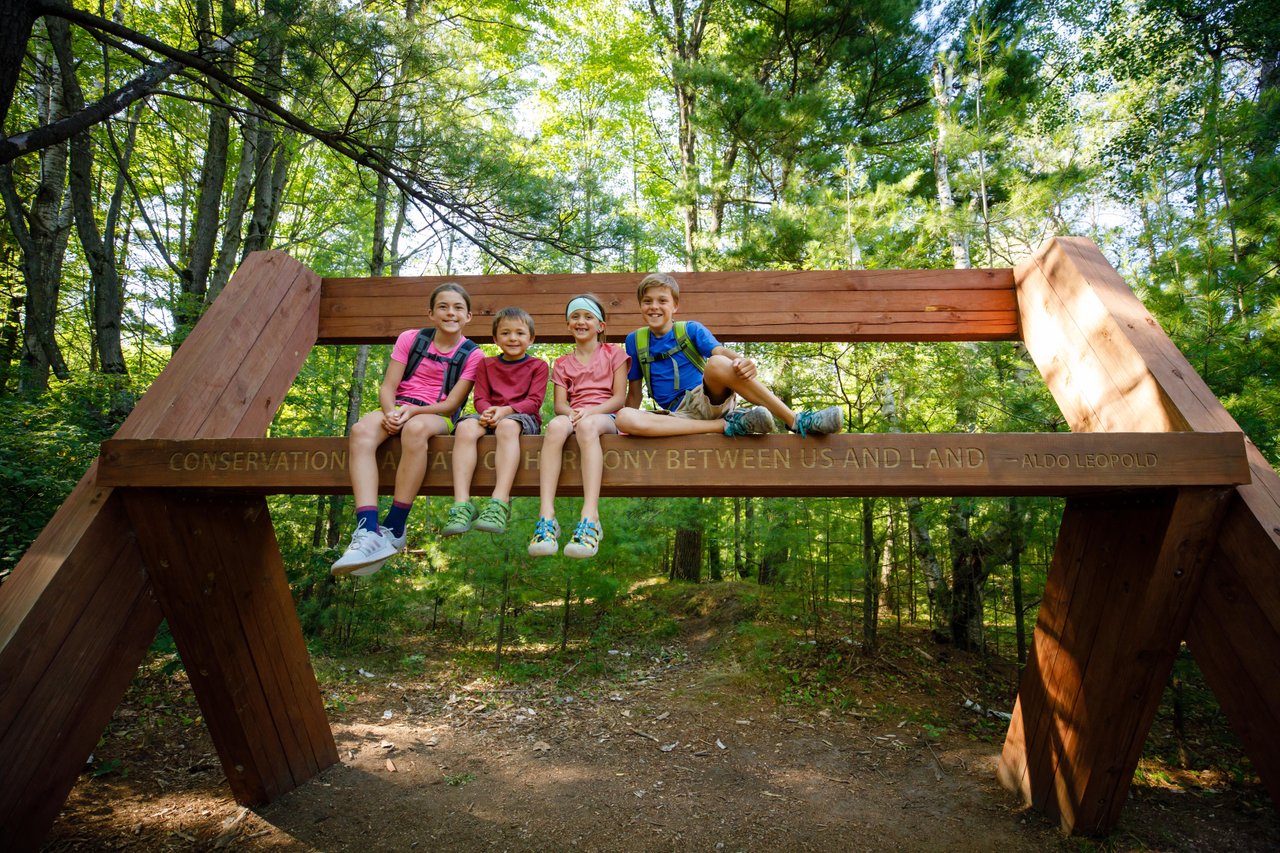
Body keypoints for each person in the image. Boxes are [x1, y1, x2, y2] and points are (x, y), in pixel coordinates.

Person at [331, 282, 485, 577]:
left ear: (468, 316)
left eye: (457, 308)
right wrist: (390, 413)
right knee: (362, 431)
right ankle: (367, 527)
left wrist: (412, 412)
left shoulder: (472, 354)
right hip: (398, 405)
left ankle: (396, 524)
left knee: (415, 429)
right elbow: (388, 386)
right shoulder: (411, 339)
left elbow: (452, 403)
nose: (450, 313)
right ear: (430, 313)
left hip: (436, 414)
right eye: (443, 306)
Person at [616, 272, 844, 439]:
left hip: (706, 399)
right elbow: (634, 393)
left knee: (716, 363)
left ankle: (795, 420)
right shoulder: (635, 341)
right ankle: (729, 425)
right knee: (624, 417)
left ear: (675, 305)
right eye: (647, 301)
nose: (654, 307)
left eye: (662, 301)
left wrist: (742, 361)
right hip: (677, 417)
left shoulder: (690, 330)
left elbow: (720, 352)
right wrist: (620, 432)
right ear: (640, 306)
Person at [528, 294, 629, 559]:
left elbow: (619, 398)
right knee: (555, 427)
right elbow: (560, 405)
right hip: (576, 415)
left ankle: (590, 518)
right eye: (575, 317)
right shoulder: (562, 363)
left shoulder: (614, 354)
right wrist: (573, 413)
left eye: (588, 317)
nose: (581, 321)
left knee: (586, 427)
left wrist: (588, 413)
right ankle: (547, 517)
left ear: (600, 326)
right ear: (568, 324)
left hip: (606, 416)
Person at [443, 306, 549, 536]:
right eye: (506, 333)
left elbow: (534, 402)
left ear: (530, 338)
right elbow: (480, 398)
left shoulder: (538, 366)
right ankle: (461, 504)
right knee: (464, 427)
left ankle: (499, 502)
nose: (513, 338)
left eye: (520, 333)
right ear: (495, 338)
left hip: (522, 418)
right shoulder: (486, 364)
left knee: (508, 425)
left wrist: (506, 411)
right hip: (489, 414)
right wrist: (488, 412)